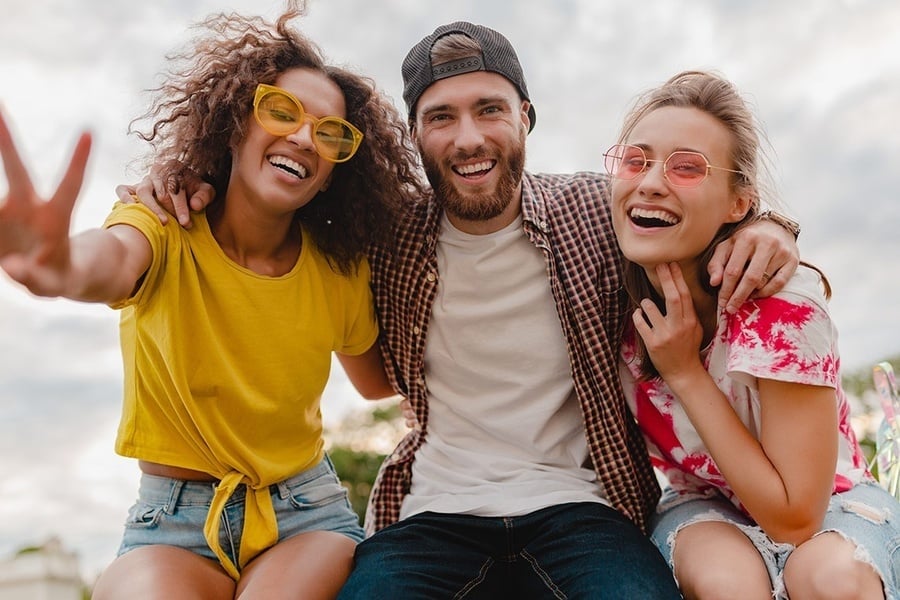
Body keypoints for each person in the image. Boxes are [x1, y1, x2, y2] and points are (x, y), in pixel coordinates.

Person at [124, 22, 800, 599]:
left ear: (526, 117)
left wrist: (767, 227)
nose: (467, 136)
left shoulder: (598, 210)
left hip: (582, 509)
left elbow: (685, 213)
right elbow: (280, 208)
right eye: (441, 117)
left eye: (490, 109)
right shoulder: (381, 237)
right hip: (433, 515)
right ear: (415, 137)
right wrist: (189, 177)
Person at [0, 3, 423, 599]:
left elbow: (380, 382)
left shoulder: (337, 271)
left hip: (306, 515)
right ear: (234, 125)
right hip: (170, 525)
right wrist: (58, 267)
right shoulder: (162, 223)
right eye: (281, 111)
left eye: (330, 133)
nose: (303, 137)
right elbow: (111, 262)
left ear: (332, 173)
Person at [608, 70, 900, 599]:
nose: (651, 182)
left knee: (832, 580)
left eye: (688, 167)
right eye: (637, 160)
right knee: (727, 583)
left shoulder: (782, 303)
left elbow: (795, 519)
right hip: (705, 503)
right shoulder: (605, 294)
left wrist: (684, 373)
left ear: (739, 204)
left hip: (826, 501)